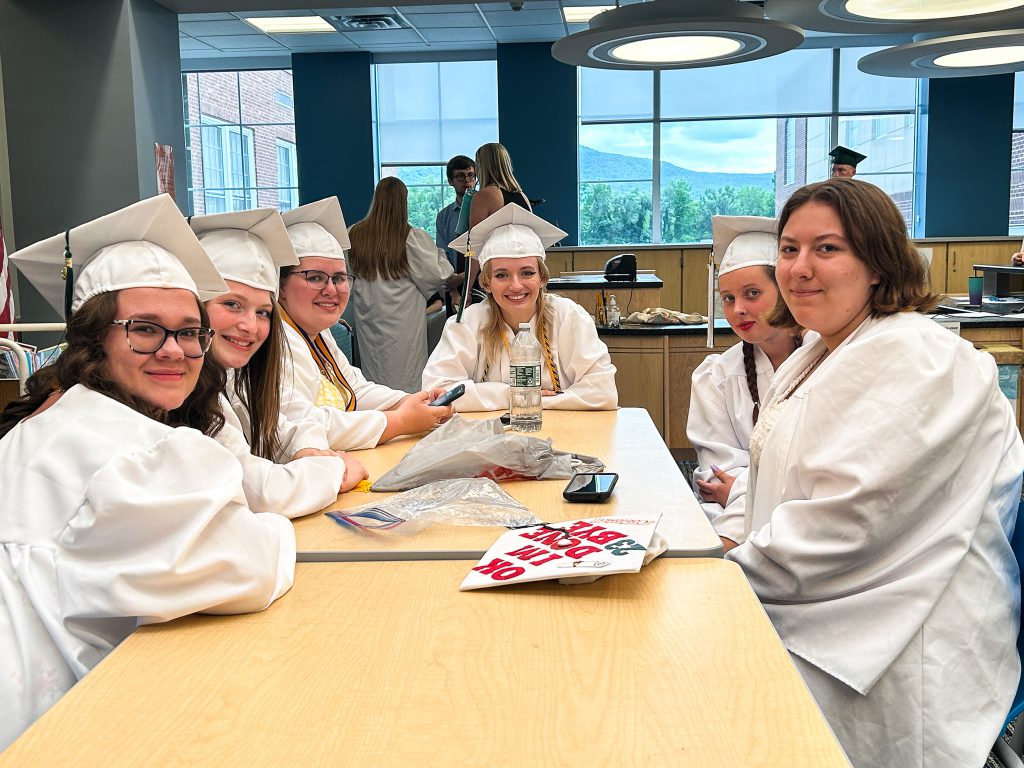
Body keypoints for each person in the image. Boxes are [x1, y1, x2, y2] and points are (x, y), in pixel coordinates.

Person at [727, 178, 1022, 767]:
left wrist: (724, 581)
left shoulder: (916, 357)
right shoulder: (821, 350)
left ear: (879, 263)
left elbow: (851, 520)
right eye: (789, 249)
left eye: (827, 249)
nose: (800, 268)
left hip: (897, 642)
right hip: (820, 604)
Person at [0, 195, 295, 750]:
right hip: (53, 726)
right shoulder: (131, 449)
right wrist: (274, 529)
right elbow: (247, 568)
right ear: (94, 339)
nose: (174, 351)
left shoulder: (58, 419)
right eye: (144, 329)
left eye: (189, 332)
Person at [189, 208, 368, 517]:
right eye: (232, 304)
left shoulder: (233, 375)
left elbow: (284, 422)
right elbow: (253, 488)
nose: (250, 325)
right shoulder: (187, 389)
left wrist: (307, 448)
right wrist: (333, 471)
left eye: (262, 312)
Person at [278, 197, 454, 451]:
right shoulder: (275, 343)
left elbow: (354, 389)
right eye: (314, 277)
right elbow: (303, 426)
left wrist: (413, 401)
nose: (331, 289)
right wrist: (400, 420)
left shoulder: (319, 334)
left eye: (339, 278)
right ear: (281, 285)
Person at [423, 203, 618, 411]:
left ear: (542, 278)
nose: (516, 285)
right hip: (489, 438)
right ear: (486, 283)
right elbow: (439, 392)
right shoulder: (466, 324)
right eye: (501, 275)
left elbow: (603, 392)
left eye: (527, 273)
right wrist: (514, 395)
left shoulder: (569, 317)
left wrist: (530, 401)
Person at [686, 215, 803, 546]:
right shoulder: (717, 376)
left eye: (752, 293)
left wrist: (739, 489)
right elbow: (714, 477)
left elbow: (819, 482)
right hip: (735, 523)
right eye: (727, 298)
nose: (738, 309)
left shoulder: (826, 362)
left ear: (785, 289)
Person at [347, 177, 455, 392]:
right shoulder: (410, 237)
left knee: (373, 377)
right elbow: (439, 273)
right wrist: (440, 254)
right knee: (407, 378)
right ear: (403, 203)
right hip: (404, 324)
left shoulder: (354, 234)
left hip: (369, 320)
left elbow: (346, 278)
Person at [469, 143, 530, 229]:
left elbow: (474, 238)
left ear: (482, 166)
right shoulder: (522, 196)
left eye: (477, 164)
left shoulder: (484, 196)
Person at [436, 154, 476, 270]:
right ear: (450, 181)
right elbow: (443, 253)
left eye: (471, 175)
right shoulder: (443, 217)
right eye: (460, 176)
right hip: (454, 278)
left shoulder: (488, 209)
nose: (467, 180)